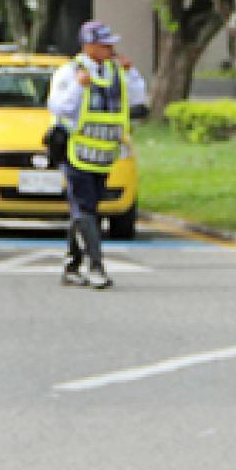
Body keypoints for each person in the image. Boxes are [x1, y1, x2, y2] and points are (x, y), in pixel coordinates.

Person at [46, 20, 145, 289]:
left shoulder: (116, 71)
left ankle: (72, 265)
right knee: (85, 208)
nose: (110, 48)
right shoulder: (69, 72)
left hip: (103, 153)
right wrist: (79, 87)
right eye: (104, 44)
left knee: (85, 209)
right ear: (88, 46)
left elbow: (136, 99)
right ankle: (95, 266)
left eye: (111, 44)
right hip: (75, 151)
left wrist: (131, 73)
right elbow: (58, 107)